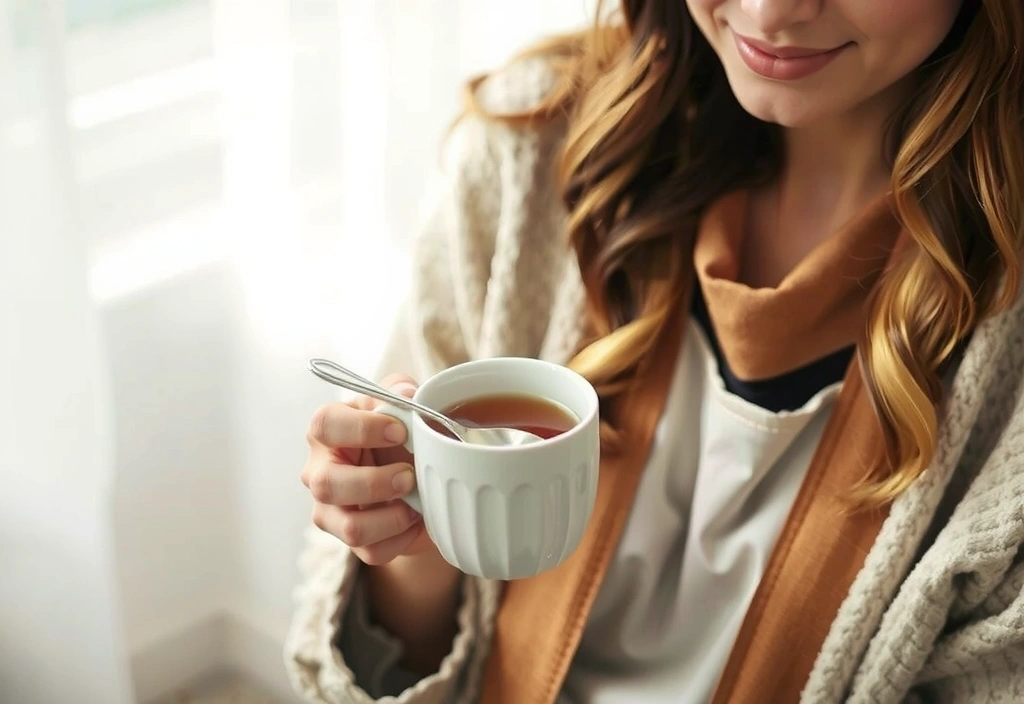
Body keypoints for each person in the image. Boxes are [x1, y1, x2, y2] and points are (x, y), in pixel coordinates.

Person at [285, 0, 1024, 701]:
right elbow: (403, 659)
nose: (772, 12)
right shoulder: (533, 147)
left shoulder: (1005, 348)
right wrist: (411, 544)